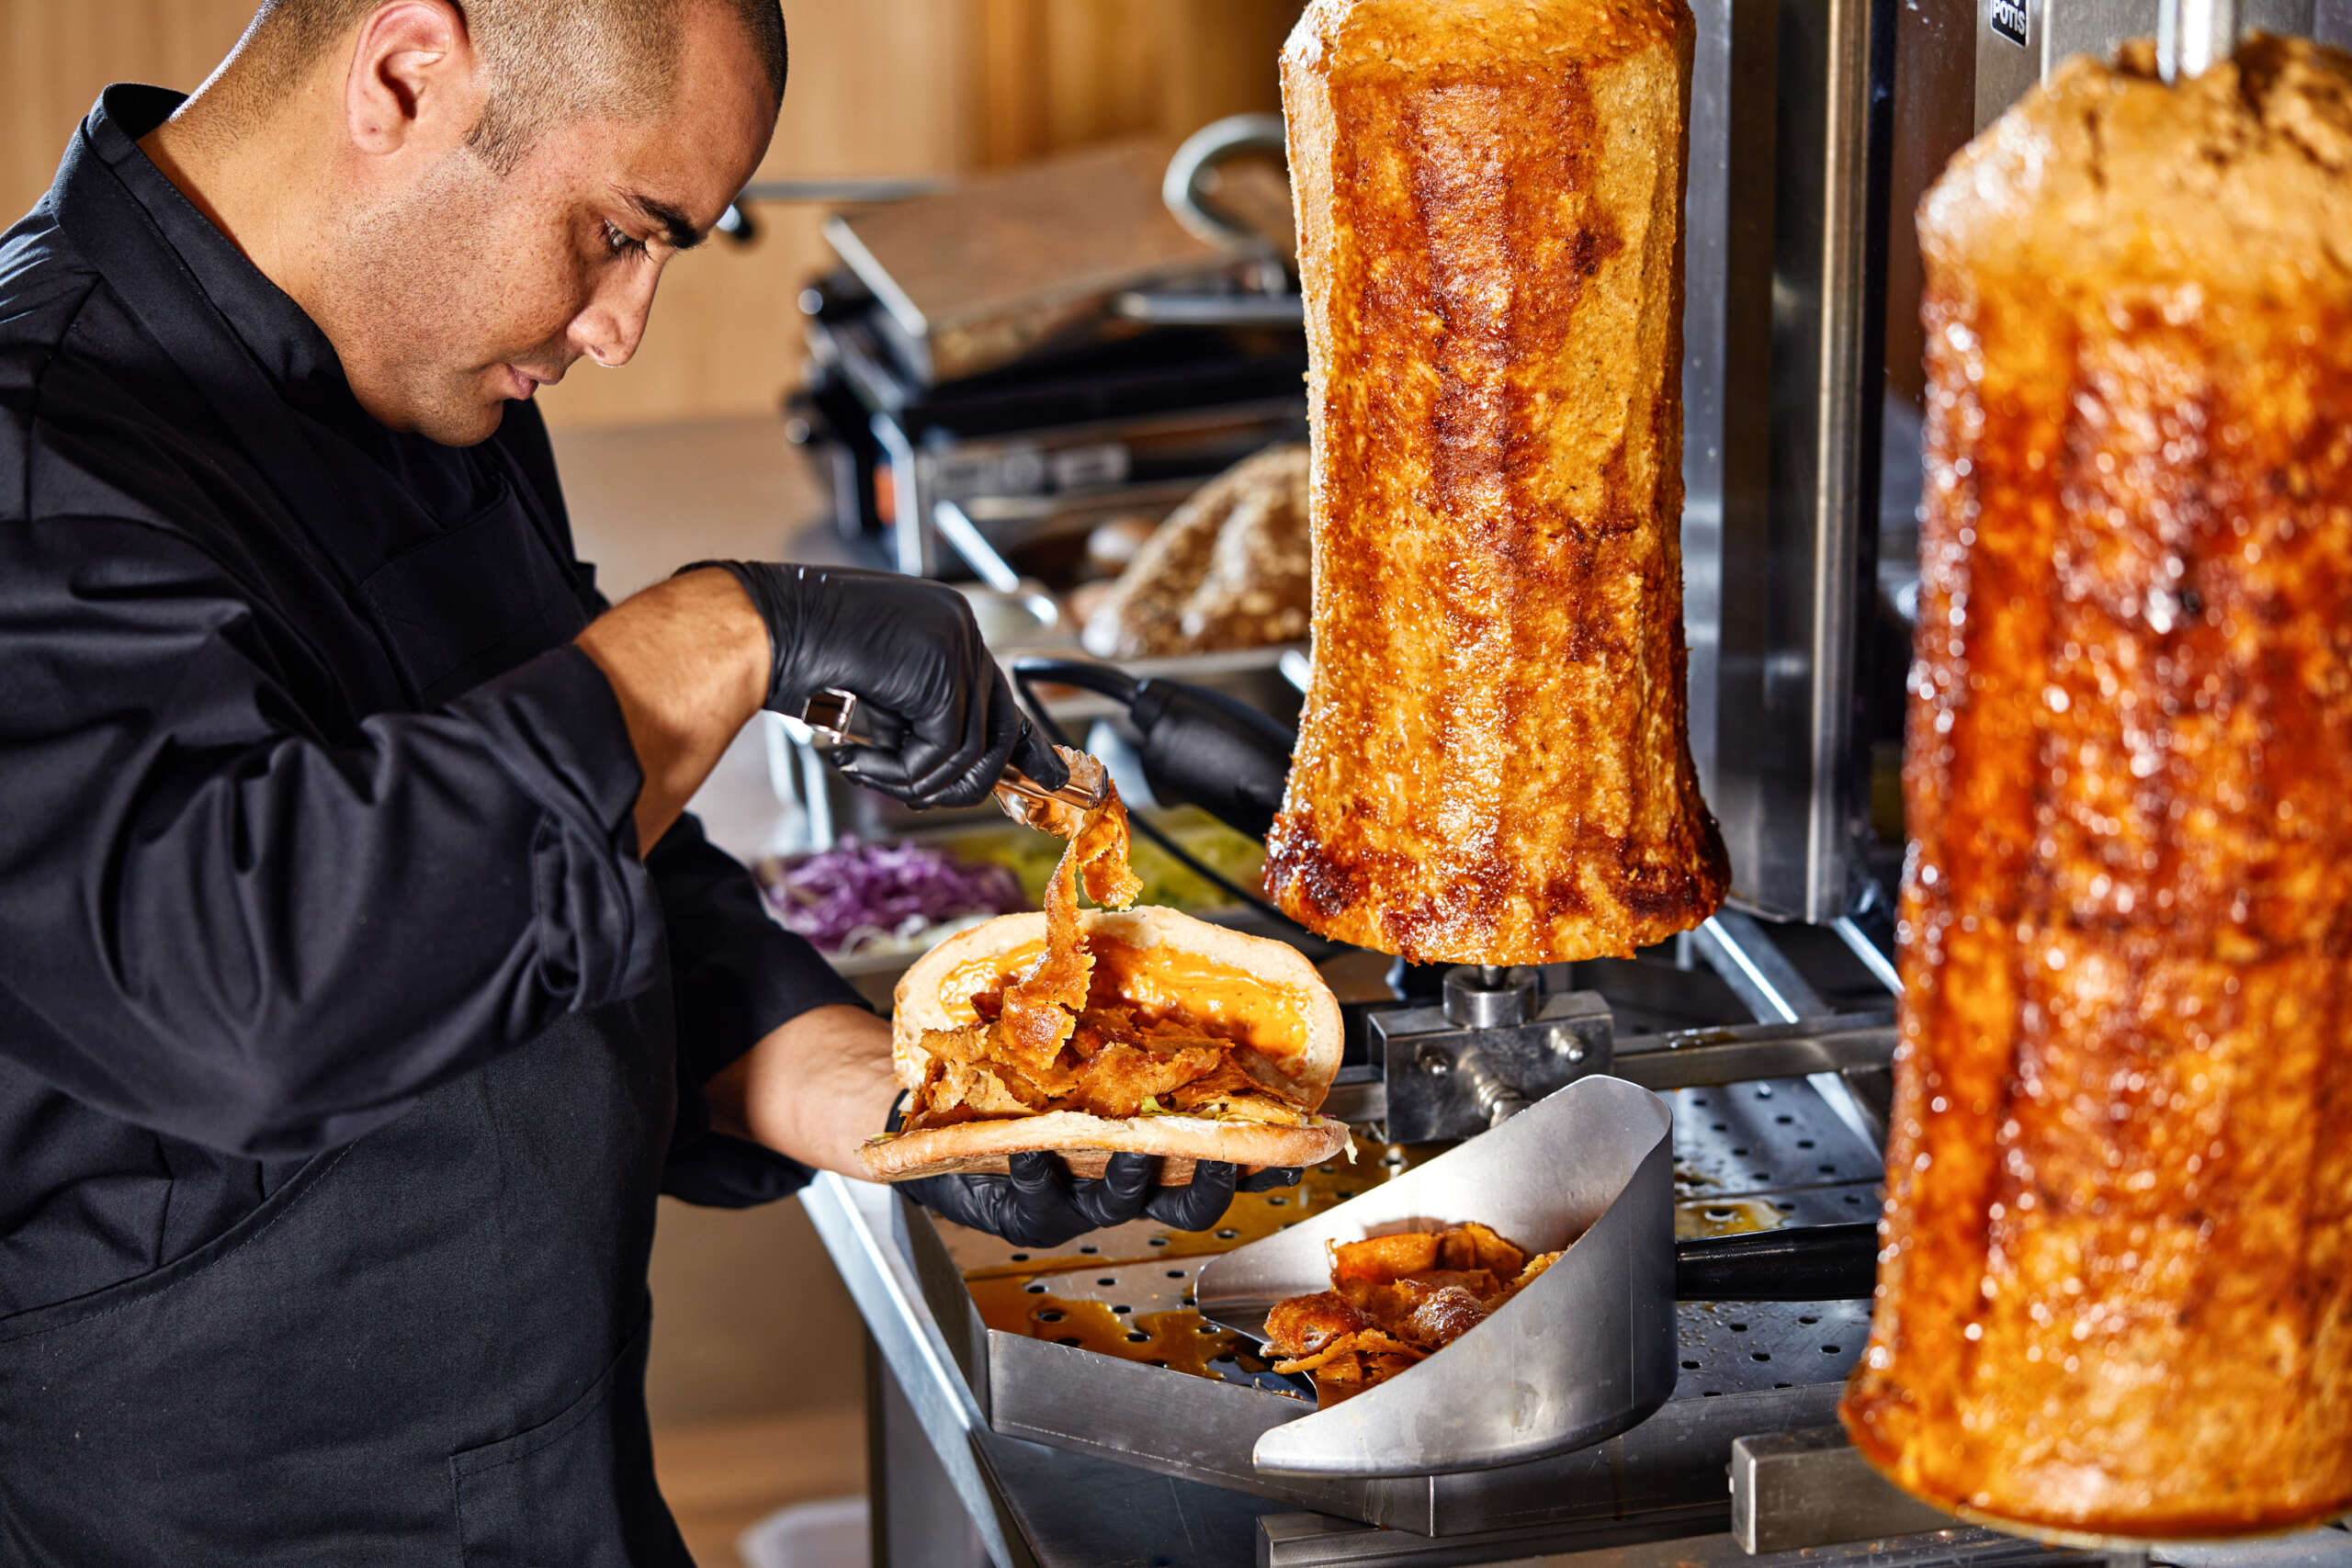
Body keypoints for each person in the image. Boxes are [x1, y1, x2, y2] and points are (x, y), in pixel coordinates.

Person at [0, 2, 1277, 1562]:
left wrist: (884, 1100)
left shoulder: (409, 367)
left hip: (549, 1473)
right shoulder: (37, 459)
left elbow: (571, 845)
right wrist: (727, 631)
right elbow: (246, 989)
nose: (618, 327)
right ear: (407, 75)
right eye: (615, 232)